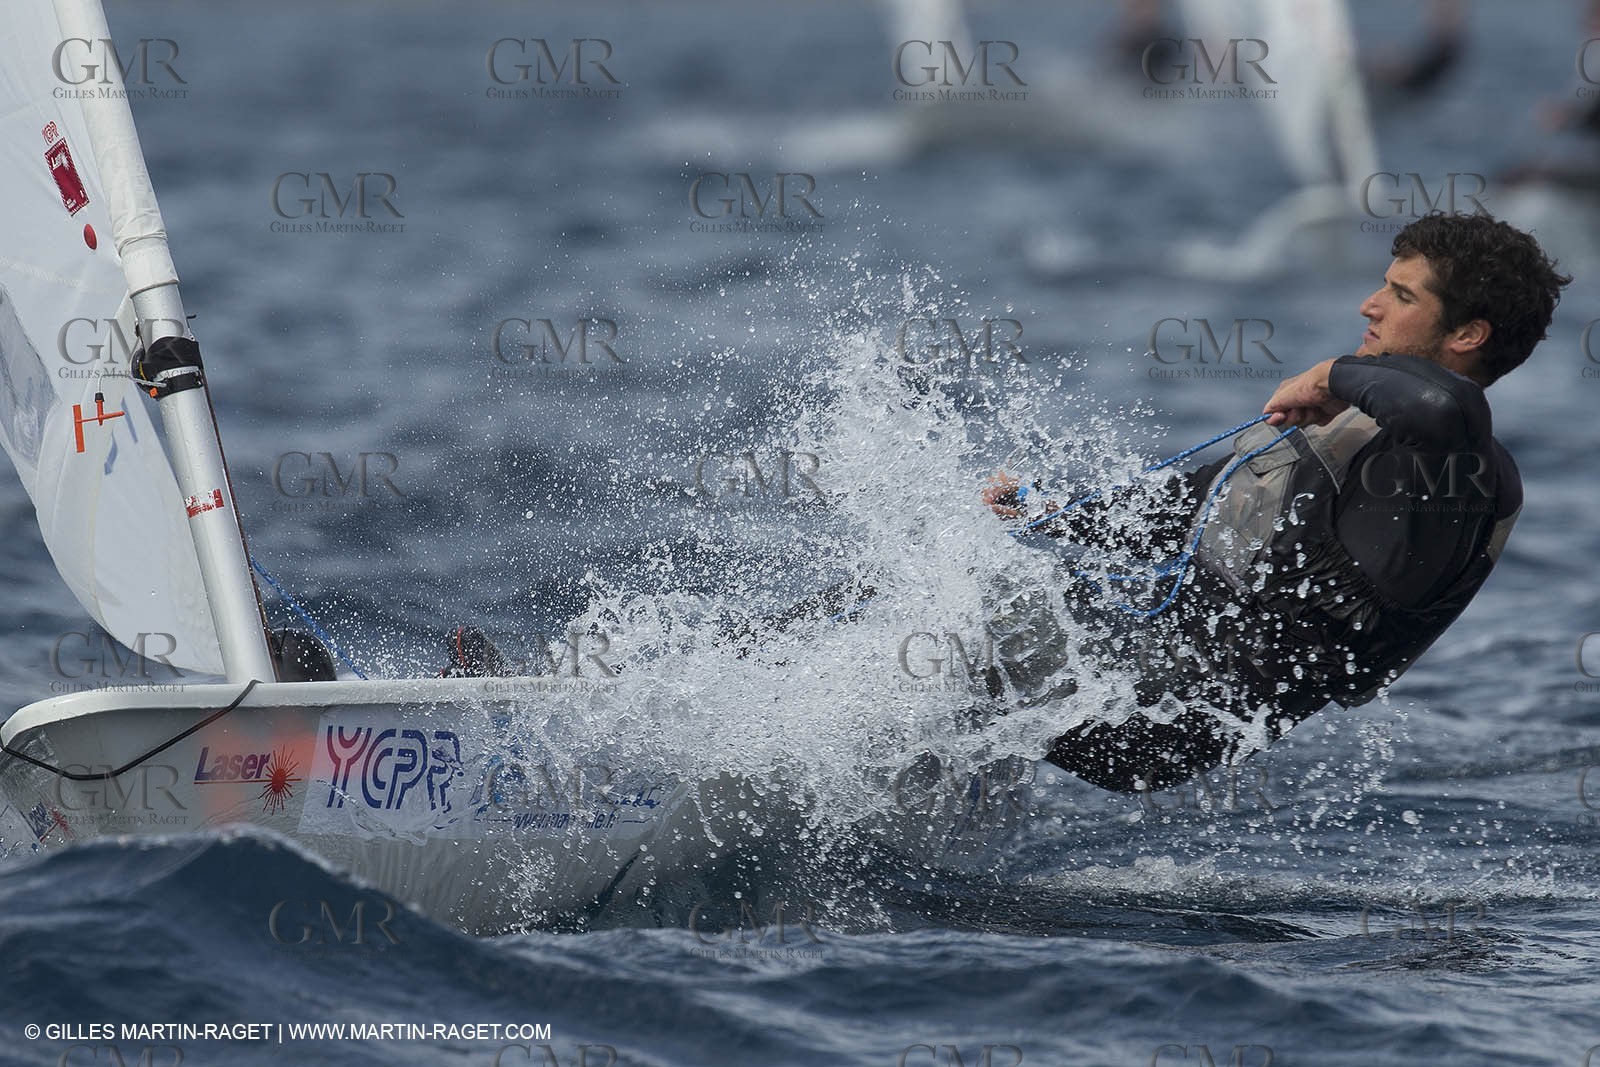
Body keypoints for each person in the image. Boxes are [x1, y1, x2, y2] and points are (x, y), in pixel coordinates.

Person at [984, 212, 1571, 793]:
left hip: (1156, 721)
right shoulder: (1356, 428)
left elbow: (1444, 407)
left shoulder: (1463, 475)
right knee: (937, 581)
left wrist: (1327, 376)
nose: (1370, 305)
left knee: (930, 604)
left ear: (1467, 334)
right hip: (1127, 660)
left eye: (1401, 296)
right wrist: (1043, 507)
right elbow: (1180, 513)